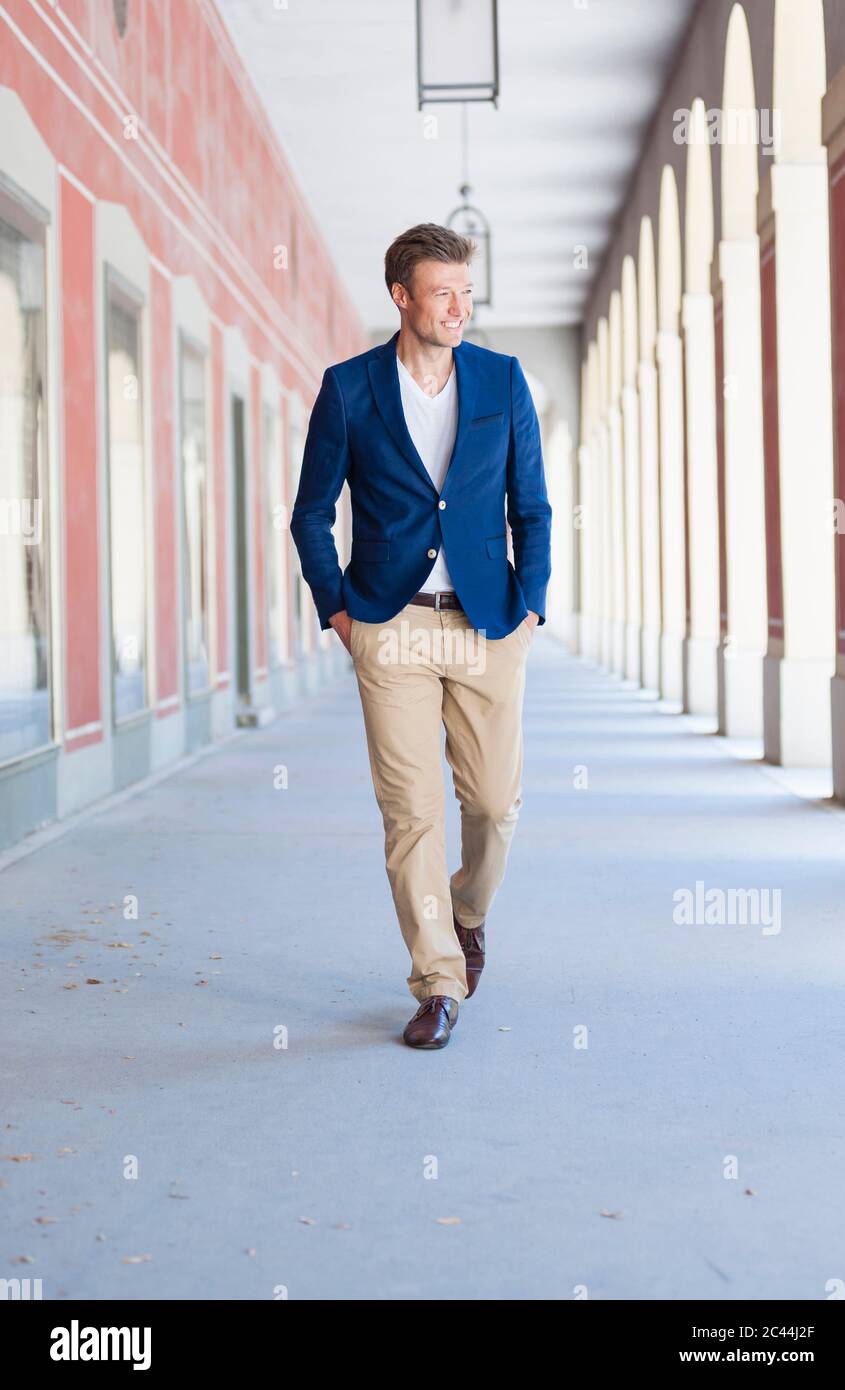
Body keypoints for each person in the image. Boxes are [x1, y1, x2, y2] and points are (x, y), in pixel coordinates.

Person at [290, 223, 552, 1049]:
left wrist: (532, 608)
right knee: (411, 814)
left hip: (486, 625)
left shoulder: (503, 382)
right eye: (443, 292)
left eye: (466, 292)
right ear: (401, 297)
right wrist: (339, 610)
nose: (459, 308)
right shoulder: (349, 389)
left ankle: (467, 912)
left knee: (494, 806)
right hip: (390, 625)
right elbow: (310, 512)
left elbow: (532, 507)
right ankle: (438, 980)